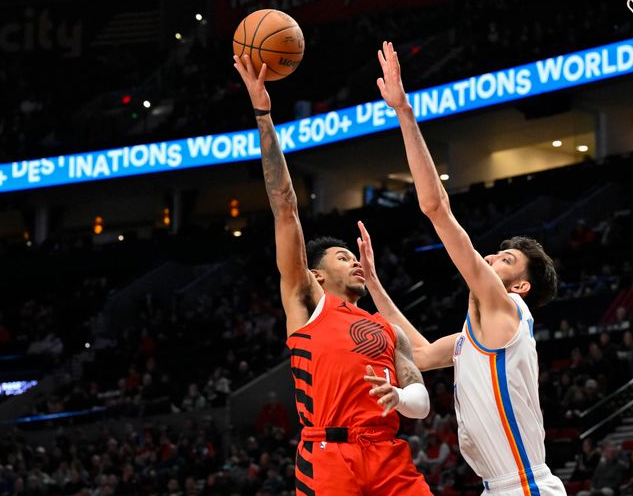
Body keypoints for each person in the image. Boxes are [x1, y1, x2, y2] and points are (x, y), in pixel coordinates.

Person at [358, 41, 566, 495]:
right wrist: (373, 283)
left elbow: (435, 207)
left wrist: (404, 113)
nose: (492, 259)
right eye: (495, 254)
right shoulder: (475, 336)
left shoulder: (504, 311)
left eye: (506, 261)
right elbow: (417, 350)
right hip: (497, 487)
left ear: (521, 286)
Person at [233, 54, 431, 495]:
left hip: (388, 452)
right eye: (342, 257)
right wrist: (263, 115)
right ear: (317, 275)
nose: (354, 261)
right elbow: (284, 204)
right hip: (328, 455)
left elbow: (421, 399)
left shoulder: (388, 329)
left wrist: (398, 398)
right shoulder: (308, 303)